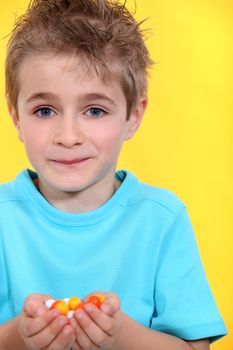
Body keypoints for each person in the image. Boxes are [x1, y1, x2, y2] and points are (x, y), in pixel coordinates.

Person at [0, 0, 227, 349]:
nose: (68, 135)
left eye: (94, 110)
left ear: (133, 116)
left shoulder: (162, 219)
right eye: (45, 110)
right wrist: (17, 336)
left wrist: (122, 335)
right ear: (16, 117)